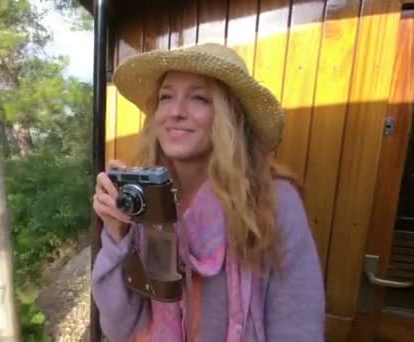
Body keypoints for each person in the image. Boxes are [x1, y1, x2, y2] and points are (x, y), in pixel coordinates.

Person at [91, 43, 325, 341]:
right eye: (166, 97)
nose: (175, 112)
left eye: (199, 98)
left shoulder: (274, 202)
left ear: (230, 117)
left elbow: (297, 329)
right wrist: (117, 235)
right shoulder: (145, 198)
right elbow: (119, 327)